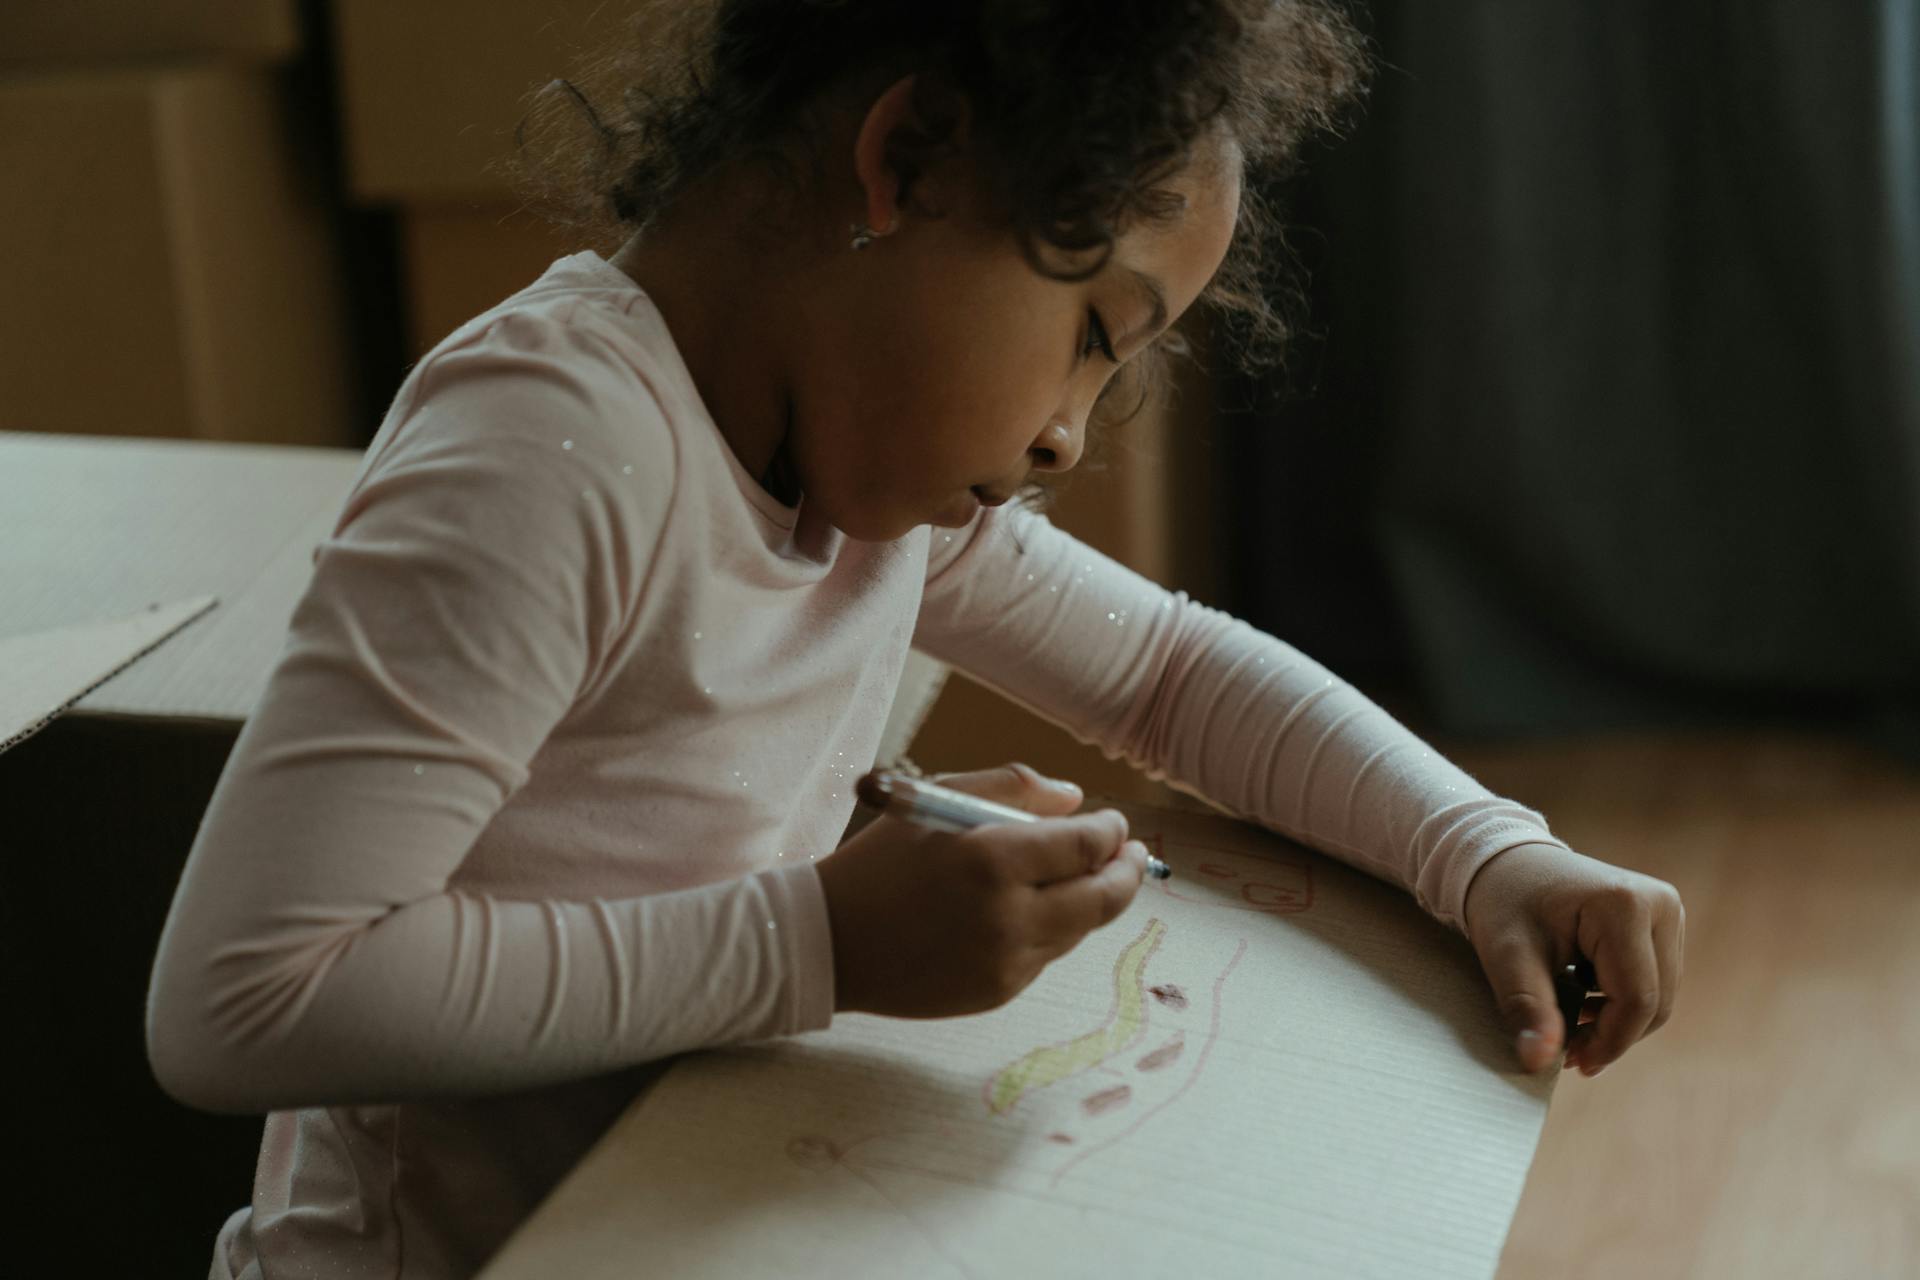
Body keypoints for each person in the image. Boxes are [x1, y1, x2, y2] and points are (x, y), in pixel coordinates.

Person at [146, 2, 1685, 1275]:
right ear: (909, 161)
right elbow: (248, 1003)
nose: (1075, 438)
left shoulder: (870, 502)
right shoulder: (557, 451)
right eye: (1094, 335)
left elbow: (1170, 673)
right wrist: (824, 940)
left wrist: (1481, 850)